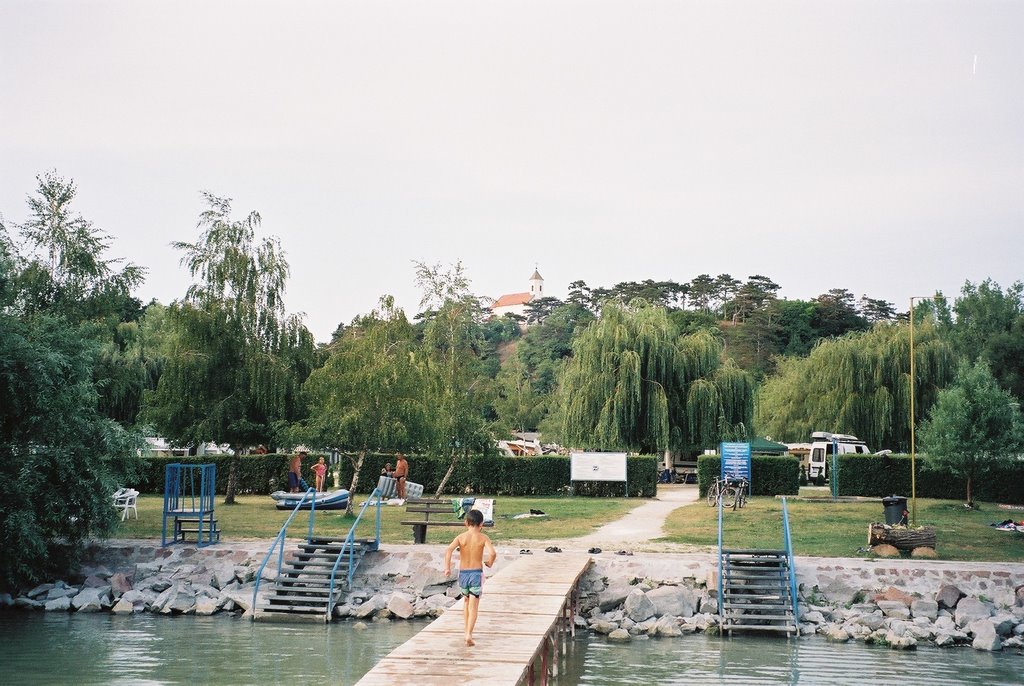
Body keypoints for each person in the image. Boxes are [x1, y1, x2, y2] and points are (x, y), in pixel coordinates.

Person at [443, 509, 497, 647]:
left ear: (465, 523)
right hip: (476, 574)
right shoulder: (483, 538)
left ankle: (466, 630)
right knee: (474, 606)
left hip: (463, 574)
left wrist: (447, 568)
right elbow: (492, 553)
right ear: (482, 524)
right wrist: (489, 563)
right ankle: (469, 634)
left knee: (466, 602)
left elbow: (449, 550)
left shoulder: (461, 537)